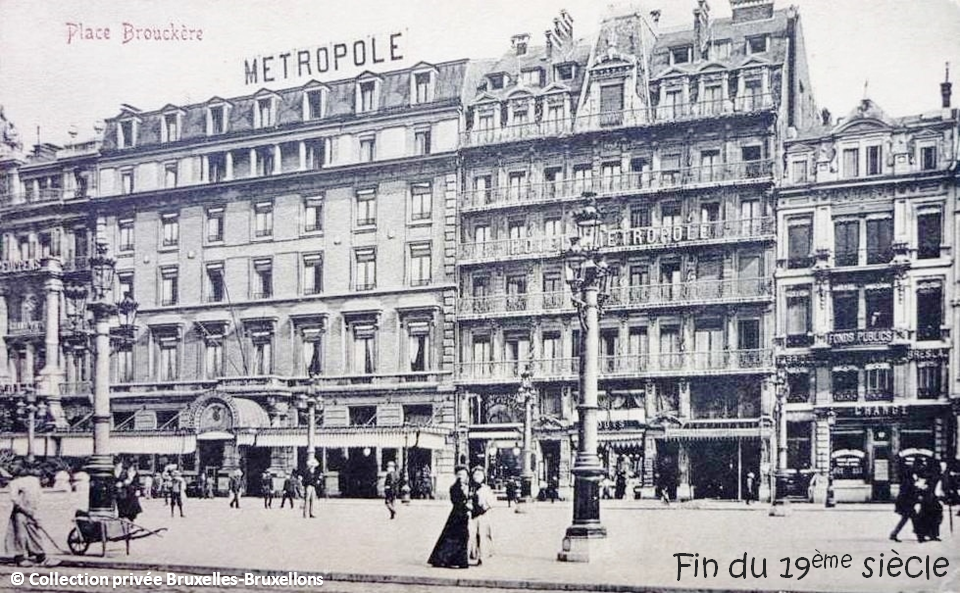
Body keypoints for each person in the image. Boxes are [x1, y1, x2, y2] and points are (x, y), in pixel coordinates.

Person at [4, 468, 58, 567]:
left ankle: (40, 556)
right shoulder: (28, 482)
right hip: (20, 512)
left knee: (33, 532)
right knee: (20, 535)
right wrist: (24, 509)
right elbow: (15, 498)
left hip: (28, 512)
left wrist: (35, 516)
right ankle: (20, 559)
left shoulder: (35, 484)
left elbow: (34, 503)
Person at [428, 466, 472, 569]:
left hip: (463, 515)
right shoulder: (454, 487)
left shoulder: (467, 487)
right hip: (457, 515)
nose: (462, 477)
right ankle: (442, 559)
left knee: (462, 538)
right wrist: (467, 506)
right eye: (459, 474)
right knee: (452, 537)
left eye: (464, 475)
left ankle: (459, 560)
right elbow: (456, 501)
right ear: (456, 476)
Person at [469, 467, 494, 565]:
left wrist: (484, 508)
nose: (477, 477)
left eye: (479, 475)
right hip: (472, 515)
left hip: (482, 515)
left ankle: (482, 557)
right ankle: (473, 555)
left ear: (483, 477)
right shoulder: (470, 488)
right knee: (472, 535)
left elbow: (491, 502)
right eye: (475, 474)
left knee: (482, 535)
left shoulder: (486, 489)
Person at [890, 471, 917, 542]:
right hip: (906, 504)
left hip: (905, 503)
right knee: (912, 518)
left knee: (908, 518)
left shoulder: (906, 481)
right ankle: (919, 533)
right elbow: (908, 493)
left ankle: (894, 533)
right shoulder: (908, 482)